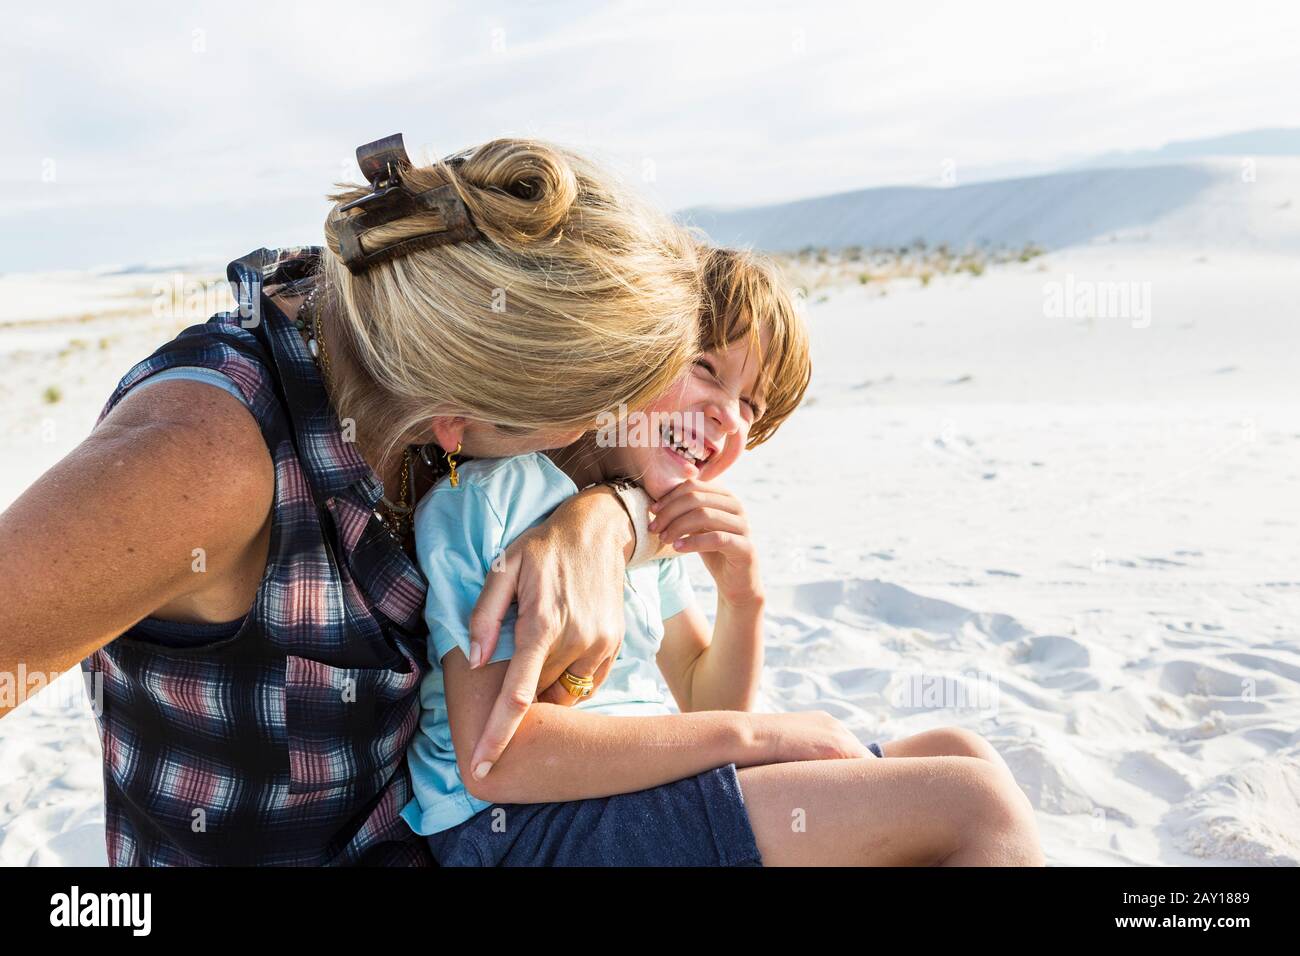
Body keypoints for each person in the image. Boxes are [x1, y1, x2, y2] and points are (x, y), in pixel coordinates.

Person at [0, 135, 704, 865]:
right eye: (604, 410)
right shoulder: (204, 461)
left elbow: (650, 482)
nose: (612, 427)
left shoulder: (433, 331)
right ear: (459, 420)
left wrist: (601, 522)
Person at [402, 247, 1046, 866]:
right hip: (521, 829)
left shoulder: (643, 525)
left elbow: (703, 696)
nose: (726, 415)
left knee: (957, 748)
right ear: (633, 355)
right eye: (706, 368)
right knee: (976, 807)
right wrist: (759, 737)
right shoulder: (498, 495)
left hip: (620, 801)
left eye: (751, 406)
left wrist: (743, 598)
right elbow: (495, 761)